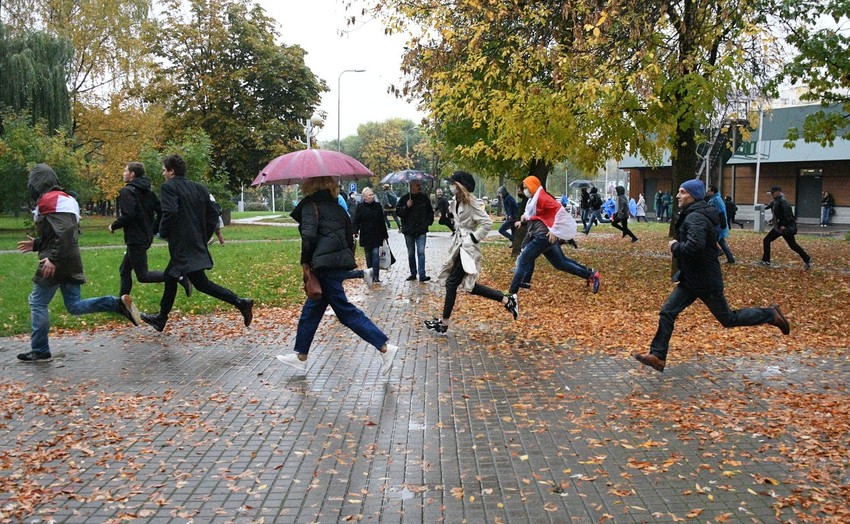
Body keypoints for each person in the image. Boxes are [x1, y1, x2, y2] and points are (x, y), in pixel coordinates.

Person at [633, 179, 791, 372]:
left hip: (706, 281)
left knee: (728, 319)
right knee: (668, 312)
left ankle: (771, 314)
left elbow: (695, 246)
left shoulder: (695, 218)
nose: (677, 196)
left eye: (682, 192)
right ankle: (658, 356)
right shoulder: (694, 214)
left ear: (692, 195)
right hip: (692, 279)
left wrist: (675, 247)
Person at [17, 164, 142, 362]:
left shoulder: (50, 200)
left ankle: (40, 350)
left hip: (54, 262)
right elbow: (62, 234)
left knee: (37, 302)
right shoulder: (66, 199)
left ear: (38, 182)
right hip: (70, 259)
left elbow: (65, 232)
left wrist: (52, 259)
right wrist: (37, 244)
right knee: (74, 305)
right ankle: (115, 303)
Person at [276, 176, 398, 375]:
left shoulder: (311, 206)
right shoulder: (338, 208)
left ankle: (384, 347)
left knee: (345, 312)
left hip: (322, 266)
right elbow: (349, 237)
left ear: (311, 185)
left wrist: (306, 262)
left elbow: (308, 237)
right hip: (334, 263)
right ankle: (301, 356)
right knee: (311, 312)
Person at [140, 154, 253, 332]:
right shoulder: (199, 188)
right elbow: (214, 212)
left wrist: (163, 231)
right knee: (175, 277)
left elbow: (169, 211)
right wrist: (203, 235)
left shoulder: (168, 187)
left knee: (197, 283)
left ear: (171, 171)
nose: (163, 174)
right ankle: (161, 318)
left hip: (182, 246)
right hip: (194, 243)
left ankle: (240, 302)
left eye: (164, 170)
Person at [424, 172, 517, 334]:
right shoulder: (456, 202)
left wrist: (473, 238)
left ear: (460, 185)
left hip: (467, 247)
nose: (450, 186)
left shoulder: (471, 202)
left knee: (452, 283)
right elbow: (458, 222)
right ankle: (506, 299)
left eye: (453, 183)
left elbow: (487, 223)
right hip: (459, 244)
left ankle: (444, 323)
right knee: (470, 287)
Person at [507, 176, 601, 308]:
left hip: (543, 237)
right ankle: (591, 274)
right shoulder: (533, 200)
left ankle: (511, 295)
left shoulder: (542, 197)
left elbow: (559, 211)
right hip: (542, 236)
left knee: (523, 260)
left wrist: (555, 230)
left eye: (526, 187)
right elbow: (537, 216)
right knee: (560, 263)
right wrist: (522, 221)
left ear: (533, 186)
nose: (524, 190)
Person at [110, 162, 192, 297]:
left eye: (125, 171)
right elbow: (160, 210)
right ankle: (122, 303)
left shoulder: (127, 191)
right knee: (124, 270)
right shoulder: (147, 191)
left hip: (135, 238)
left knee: (143, 275)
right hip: (145, 236)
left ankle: (179, 277)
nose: (123, 174)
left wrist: (114, 225)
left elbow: (129, 214)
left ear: (132, 174)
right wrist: (153, 229)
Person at [759, 186, 812, 269]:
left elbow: (788, 215)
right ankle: (807, 259)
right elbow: (775, 211)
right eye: (771, 193)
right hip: (780, 226)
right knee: (792, 245)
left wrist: (784, 225)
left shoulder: (783, 201)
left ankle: (766, 260)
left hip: (783, 227)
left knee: (768, 240)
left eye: (773, 192)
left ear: (778, 191)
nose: (772, 194)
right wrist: (772, 220)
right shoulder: (776, 201)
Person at [396, 180, 434, 282]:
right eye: (417, 185)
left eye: (419, 184)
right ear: (411, 186)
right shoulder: (405, 198)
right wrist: (406, 207)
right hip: (409, 230)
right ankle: (413, 273)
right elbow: (398, 212)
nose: (419, 186)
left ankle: (422, 274)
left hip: (421, 229)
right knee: (411, 253)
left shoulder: (424, 198)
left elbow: (430, 211)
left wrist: (428, 222)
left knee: (421, 252)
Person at [352, 187, 389, 284]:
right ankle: (370, 274)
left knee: (375, 255)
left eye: (372, 194)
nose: (372, 196)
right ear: (365, 197)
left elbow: (382, 221)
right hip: (366, 235)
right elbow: (356, 221)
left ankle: (376, 276)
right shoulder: (360, 207)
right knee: (368, 257)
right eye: (370, 195)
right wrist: (354, 231)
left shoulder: (377, 206)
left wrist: (385, 235)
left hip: (377, 235)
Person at [706, 185, 735, 264]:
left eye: (709, 190)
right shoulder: (714, 199)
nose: (707, 192)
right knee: (721, 241)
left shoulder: (716, 200)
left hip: (718, 224)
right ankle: (730, 258)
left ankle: (716, 253)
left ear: (713, 191)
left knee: (712, 240)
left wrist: (722, 223)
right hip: (717, 223)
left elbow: (721, 211)